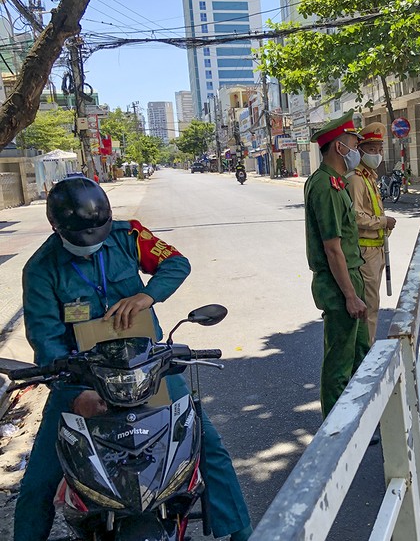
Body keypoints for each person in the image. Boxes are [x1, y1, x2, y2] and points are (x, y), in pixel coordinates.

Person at [18, 177, 252, 541]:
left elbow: (176, 263)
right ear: (57, 229)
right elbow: (46, 341)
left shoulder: (129, 238)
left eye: (99, 232)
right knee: (40, 479)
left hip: (148, 370)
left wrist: (147, 297)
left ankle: (242, 533)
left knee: (205, 445)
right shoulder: (41, 268)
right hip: (83, 378)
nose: (93, 243)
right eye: (83, 238)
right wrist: (75, 393)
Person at [305, 110, 370, 417]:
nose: (357, 151)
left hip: (349, 277)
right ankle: (337, 424)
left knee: (359, 353)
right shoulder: (326, 185)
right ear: (338, 147)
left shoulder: (336, 181)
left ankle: (359, 414)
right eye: (353, 144)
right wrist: (349, 294)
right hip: (338, 282)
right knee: (339, 359)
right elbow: (333, 248)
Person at [347, 122, 397, 344]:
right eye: (371, 150)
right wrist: (383, 221)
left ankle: (368, 348)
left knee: (373, 304)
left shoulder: (370, 177)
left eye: (379, 149)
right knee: (369, 306)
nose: (377, 154)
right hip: (365, 251)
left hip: (376, 249)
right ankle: (366, 355)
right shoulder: (356, 179)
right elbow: (356, 217)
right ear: (360, 151)